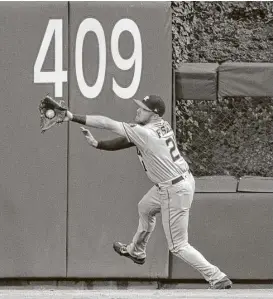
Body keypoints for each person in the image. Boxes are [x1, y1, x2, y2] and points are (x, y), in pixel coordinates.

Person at [64, 95, 232, 289]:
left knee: (178, 246)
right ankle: (137, 251)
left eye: (142, 108)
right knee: (145, 207)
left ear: (154, 114)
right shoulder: (161, 126)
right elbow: (131, 140)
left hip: (173, 188)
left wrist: (71, 116)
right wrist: (98, 144)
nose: (138, 110)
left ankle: (217, 276)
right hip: (180, 181)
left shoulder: (146, 133)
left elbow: (106, 123)